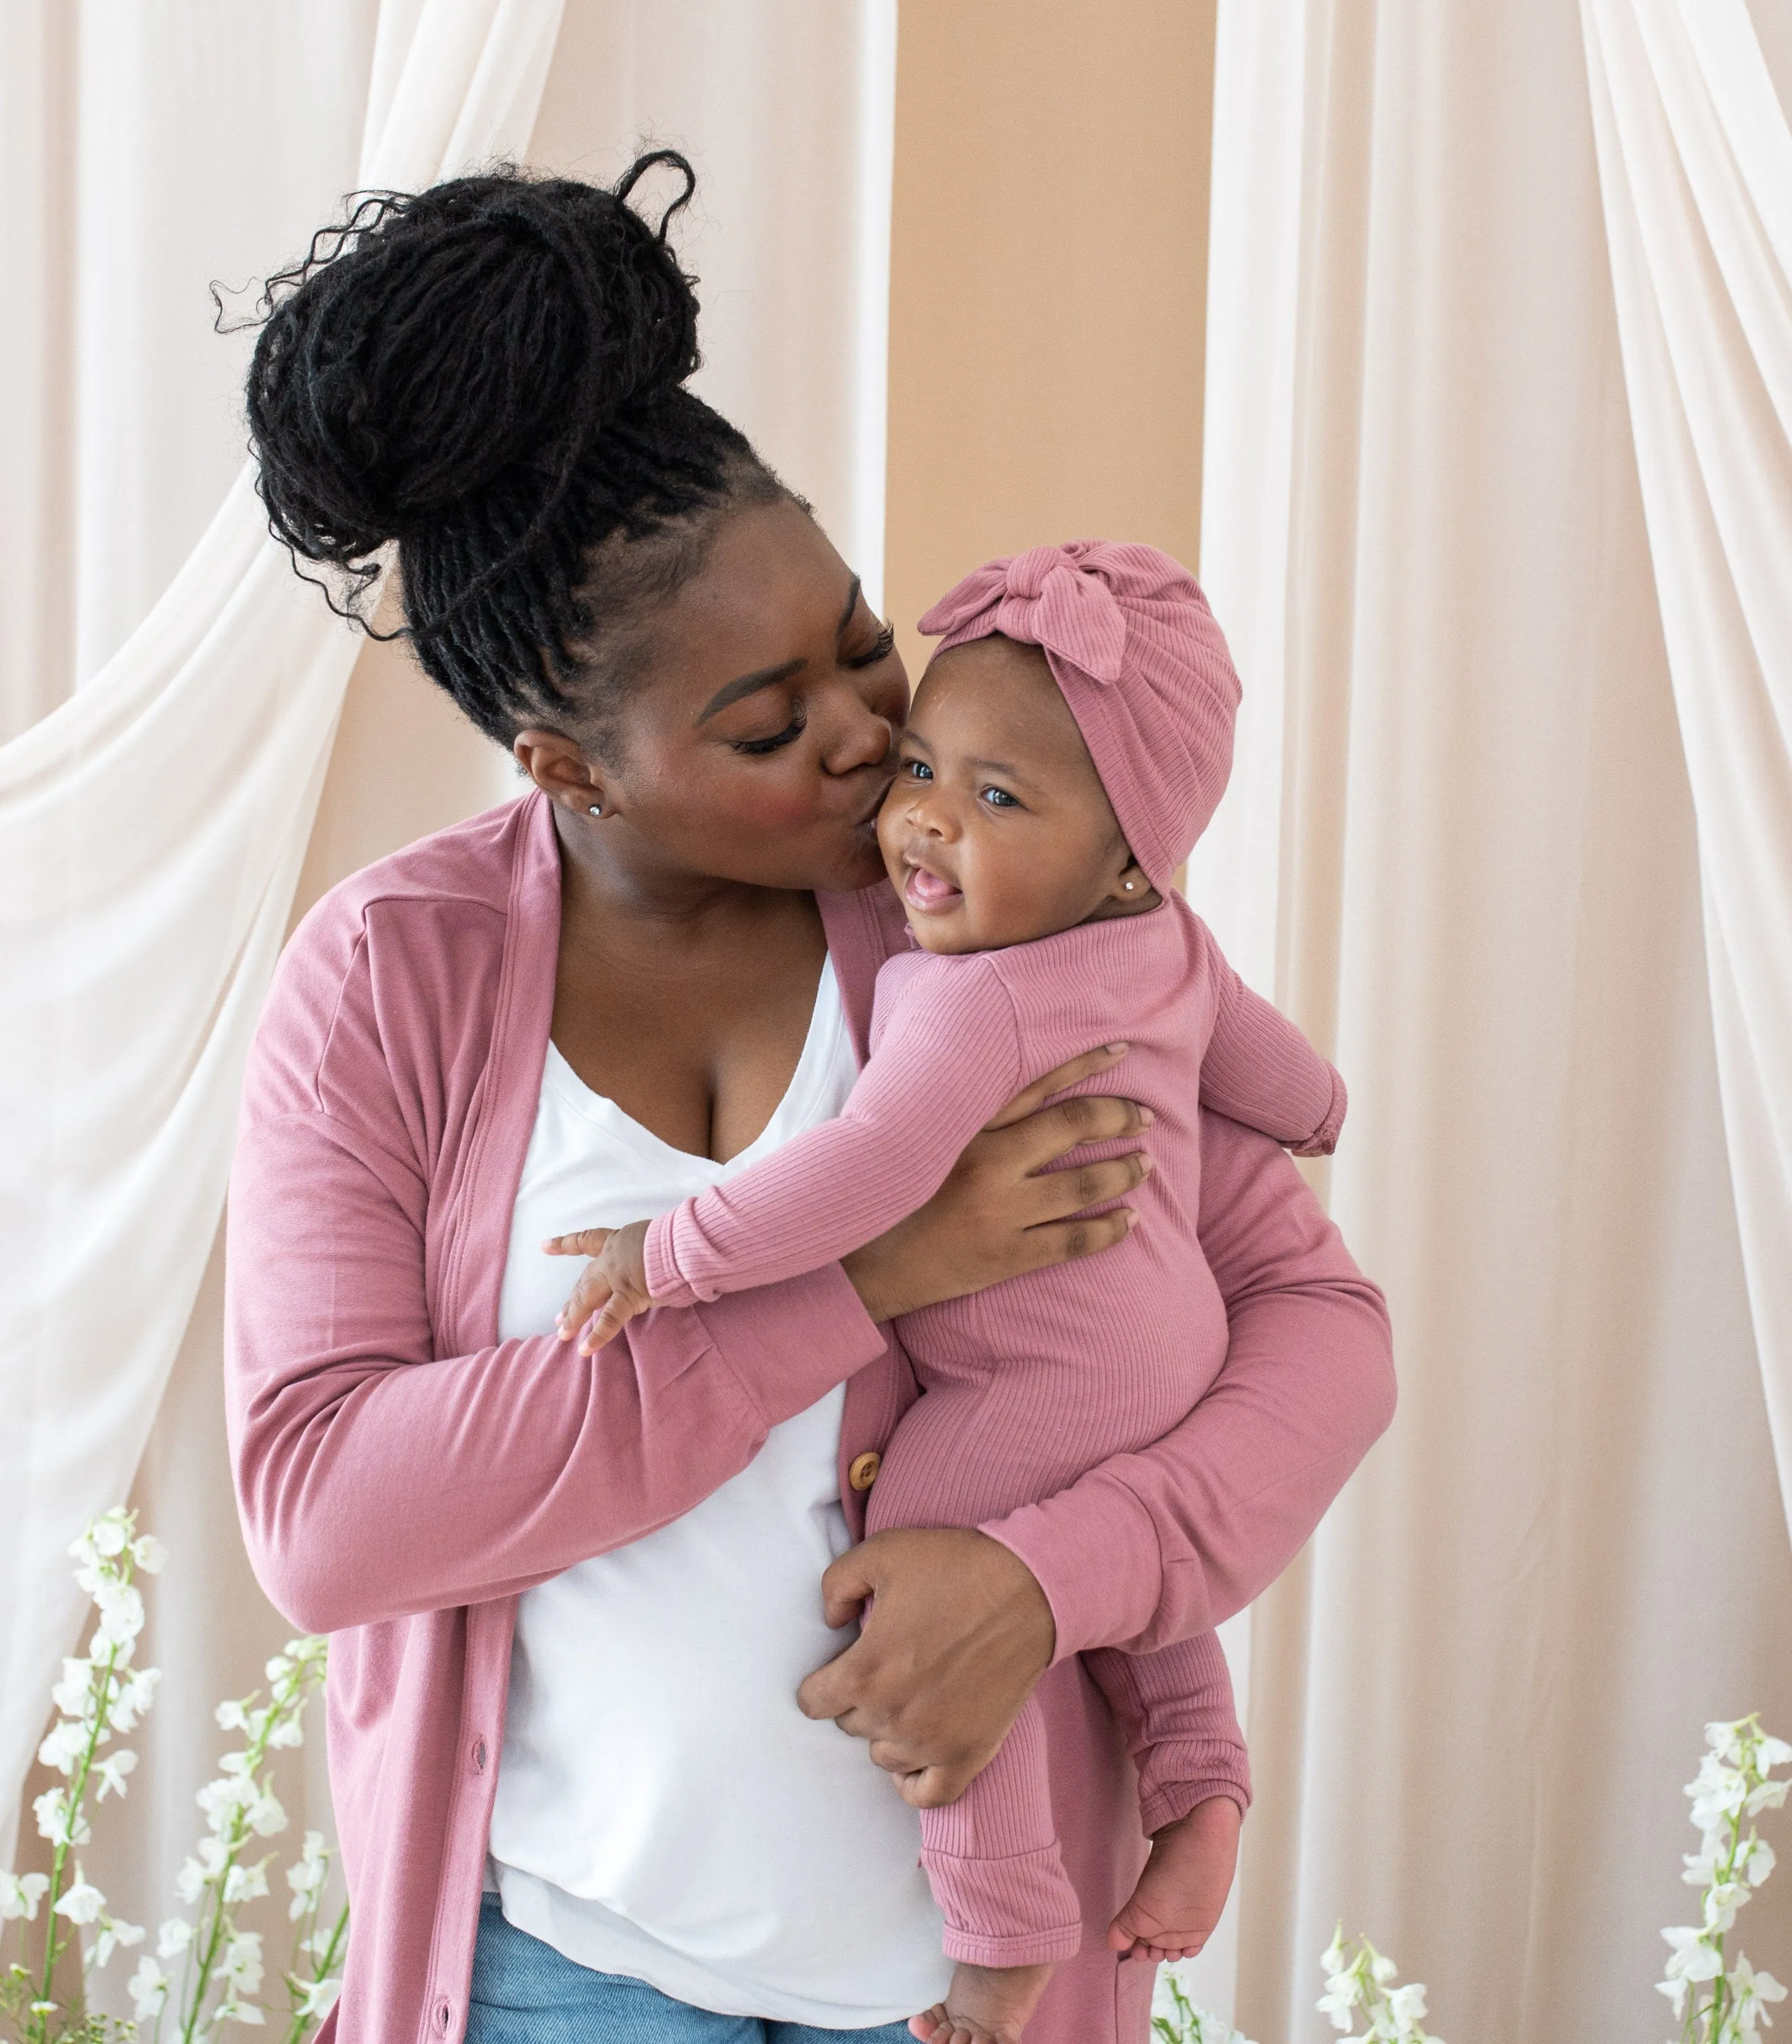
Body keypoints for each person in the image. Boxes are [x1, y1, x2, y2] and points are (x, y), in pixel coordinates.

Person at [224, 152, 1394, 2044]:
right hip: (564, 1973)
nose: (875, 739)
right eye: (770, 726)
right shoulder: (389, 984)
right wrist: (868, 1279)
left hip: (968, 1991)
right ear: (569, 764)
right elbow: (324, 1513)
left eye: (863, 643)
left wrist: (1045, 1579)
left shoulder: (981, 928)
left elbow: (1323, 1327)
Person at [547, 538, 1347, 2044]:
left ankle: (1000, 1927)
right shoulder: (1169, 945)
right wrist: (1321, 1116)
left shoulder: (974, 1005)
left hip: (1035, 1376)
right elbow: (1267, 1060)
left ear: (1126, 855)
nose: (921, 818)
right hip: (1165, 1339)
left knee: (924, 1564)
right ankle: (1202, 1784)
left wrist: (670, 1256)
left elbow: (866, 1171)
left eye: (998, 800)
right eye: (926, 767)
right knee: (1132, 1581)